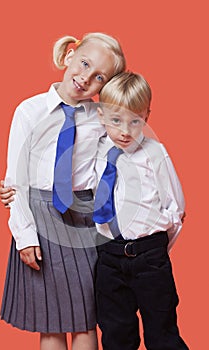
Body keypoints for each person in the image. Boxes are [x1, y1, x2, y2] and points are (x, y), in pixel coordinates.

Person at [0, 32, 126, 350]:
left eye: (99, 76)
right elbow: (15, 180)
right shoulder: (29, 112)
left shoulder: (99, 119)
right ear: (69, 56)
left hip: (82, 221)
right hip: (39, 217)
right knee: (51, 323)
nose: (85, 78)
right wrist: (24, 235)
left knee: (85, 319)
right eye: (84, 63)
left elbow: (108, 168)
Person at [93, 71, 189, 349]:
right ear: (101, 116)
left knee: (162, 331)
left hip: (149, 254)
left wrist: (155, 247)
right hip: (109, 254)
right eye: (116, 120)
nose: (125, 131)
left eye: (135, 121)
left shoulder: (155, 152)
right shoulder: (96, 151)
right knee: (115, 331)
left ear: (146, 117)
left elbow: (176, 206)